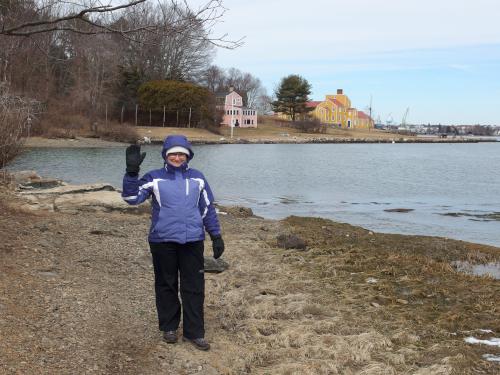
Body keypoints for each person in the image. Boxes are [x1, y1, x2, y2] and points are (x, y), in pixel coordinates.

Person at [121, 134, 225, 351]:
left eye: (181, 154)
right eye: (173, 154)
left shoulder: (198, 178)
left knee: (194, 287)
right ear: (165, 155)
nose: (177, 158)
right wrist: (132, 173)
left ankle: (194, 332)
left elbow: (207, 209)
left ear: (188, 156)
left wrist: (216, 235)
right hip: (162, 240)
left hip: (193, 240)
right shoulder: (154, 177)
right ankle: (169, 328)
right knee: (166, 284)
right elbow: (132, 199)